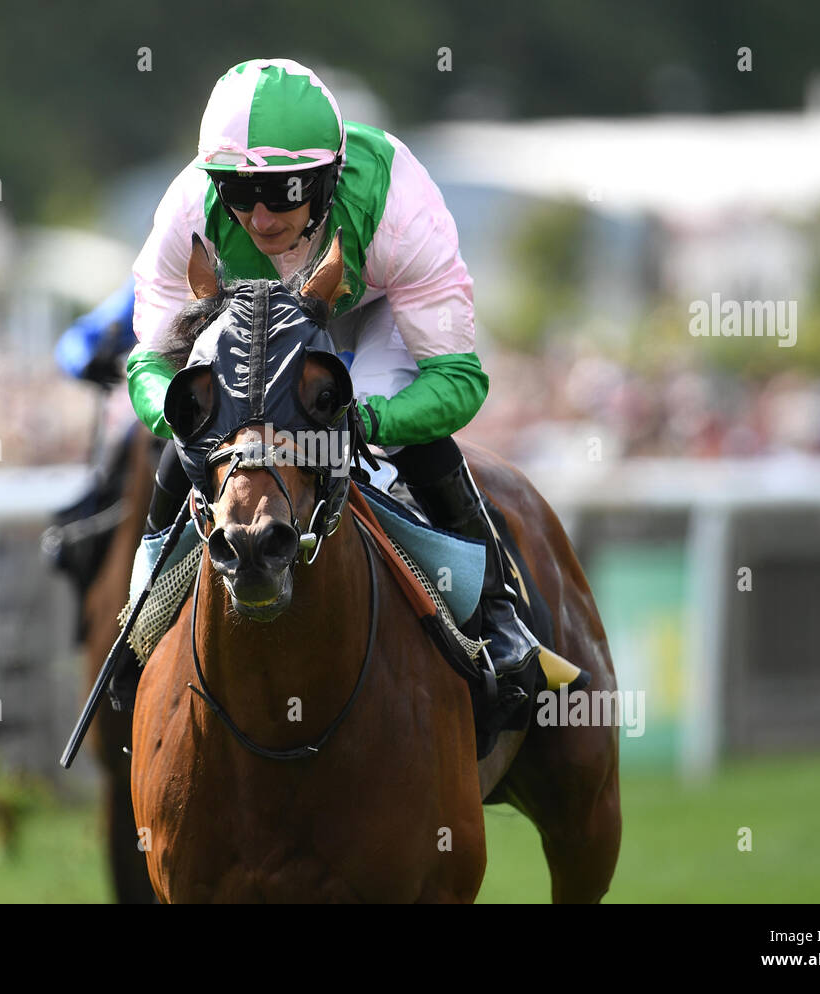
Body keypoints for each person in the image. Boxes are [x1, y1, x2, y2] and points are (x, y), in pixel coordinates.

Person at [118, 58, 541, 733]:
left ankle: (497, 610)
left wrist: (366, 419)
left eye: (284, 192)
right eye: (238, 191)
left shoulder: (398, 207)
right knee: (195, 438)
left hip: (372, 307)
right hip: (247, 321)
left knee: (392, 433)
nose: (259, 217)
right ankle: (139, 618)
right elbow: (150, 363)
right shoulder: (186, 213)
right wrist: (189, 423)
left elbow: (459, 380)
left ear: (327, 179)